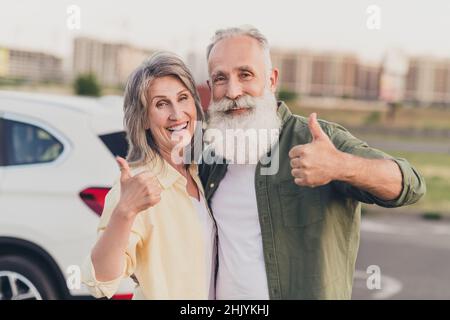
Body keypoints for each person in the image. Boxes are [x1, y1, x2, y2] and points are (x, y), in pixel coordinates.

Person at [199, 26, 426, 299]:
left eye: (245, 74)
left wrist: (340, 166)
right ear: (211, 88)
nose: (233, 90)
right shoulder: (210, 156)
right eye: (221, 78)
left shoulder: (317, 140)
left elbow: (410, 184)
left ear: (271, 80)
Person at [81, 52, 216, 300]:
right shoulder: (139, 185)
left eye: (183, 98)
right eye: (161, 104)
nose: (177, 114)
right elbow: (99, 281)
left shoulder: (199, 172)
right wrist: (124, 212)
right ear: (143, 118)